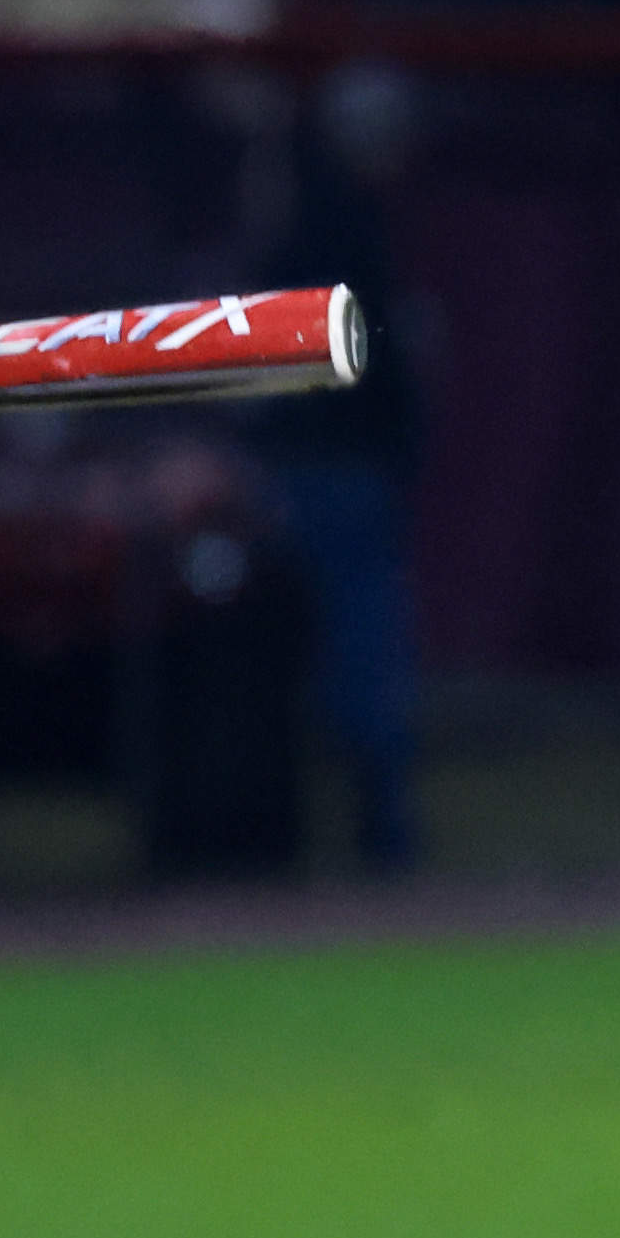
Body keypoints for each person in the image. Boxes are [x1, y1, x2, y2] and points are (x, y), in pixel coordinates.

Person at [254, 62, 428, 873]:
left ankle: (318, 832)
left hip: (310, 466)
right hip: (335, 470)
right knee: (358, 655)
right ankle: (374, 833)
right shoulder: (339, 224)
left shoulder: (303, 215)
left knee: (320, 653)